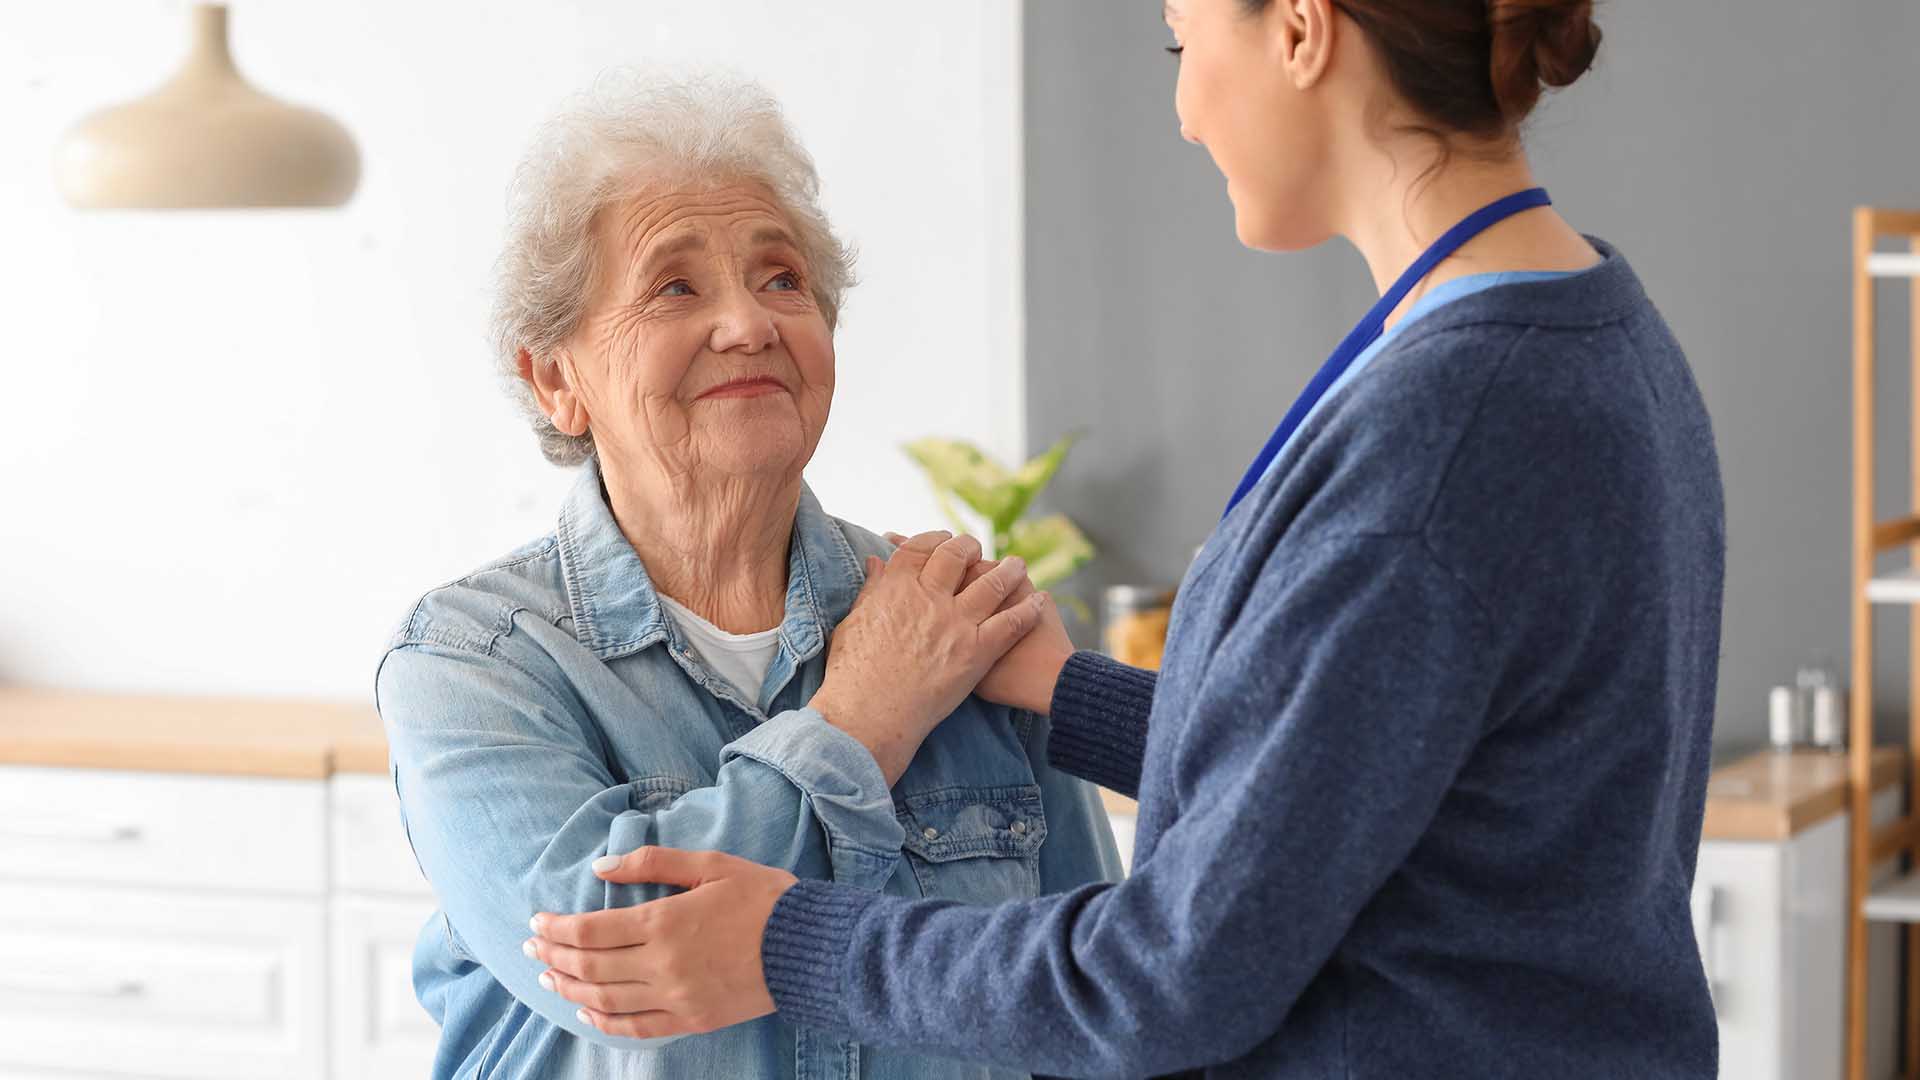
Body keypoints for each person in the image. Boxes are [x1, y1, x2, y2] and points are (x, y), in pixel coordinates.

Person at [523, 2, 1726, 1077]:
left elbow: (1172, 974)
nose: (1187, 112)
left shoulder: (1439, 437)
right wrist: (1070, 693)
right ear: (553, 378)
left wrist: (791, 945)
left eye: (1179, 41)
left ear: (1300, 30)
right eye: (675, 290)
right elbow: (1358, 768)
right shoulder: (1589, 337)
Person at [376, 72, 1121, 1080]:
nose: (749, 324)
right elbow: (617, 960)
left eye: (781, 280)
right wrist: (862, 720)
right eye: (676, 288)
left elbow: (1088, 1001)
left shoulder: (962, 617)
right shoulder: (471, 659)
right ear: (557, 379)